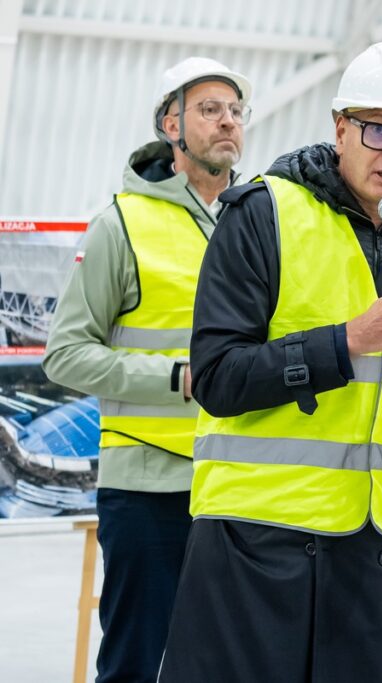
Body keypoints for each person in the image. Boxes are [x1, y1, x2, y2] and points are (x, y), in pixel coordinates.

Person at [156, 41, 382, 683]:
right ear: (340, 129)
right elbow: (217, 377)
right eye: (379, 129)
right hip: (256, 543)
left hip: (377, 553)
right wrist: (347, 340)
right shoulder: (263, 214)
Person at [42, 57, 251, 683]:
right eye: (209, 109)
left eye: (236, 111)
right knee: (136, 662)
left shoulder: (256, 221)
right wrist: (176, 376)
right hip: (147, 490)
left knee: (223, 663)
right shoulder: (120, 224)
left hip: (238, 483)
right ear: (171, 125)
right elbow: (65, 353)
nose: (227, 123)